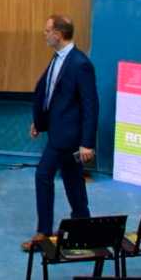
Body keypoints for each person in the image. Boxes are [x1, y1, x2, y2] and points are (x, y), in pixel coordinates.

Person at [22, 14, 99, 251]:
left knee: (43, 175)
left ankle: (43, 233)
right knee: (73, 179)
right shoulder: (57, 59)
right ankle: (83, 226)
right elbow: (51, 95)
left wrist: (87, 143)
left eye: (47, 31)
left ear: (58, 34)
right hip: (58, 131)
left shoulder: (80, 64)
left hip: (68, 137)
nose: (44, 34)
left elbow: (90, 105)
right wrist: (40, 123)